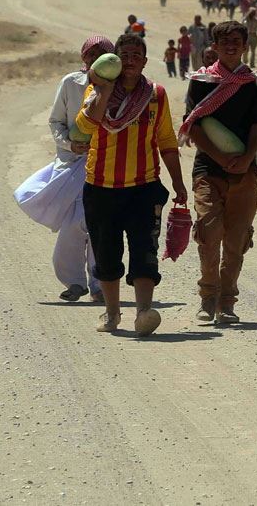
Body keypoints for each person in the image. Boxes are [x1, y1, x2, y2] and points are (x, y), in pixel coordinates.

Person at [75, 32, 189, 336]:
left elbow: (166, 140)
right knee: (106, 253)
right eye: (124, 55)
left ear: (145, 61)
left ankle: (143, 313)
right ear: (114, 60)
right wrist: (105, 88)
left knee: (145, 251)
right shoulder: (95, 90)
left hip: (144, 188)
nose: (130, 60)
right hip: (101, 188)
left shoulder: (156, 95)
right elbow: (85, 125)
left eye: (137, 55)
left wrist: (178, 182)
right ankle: (112, 314)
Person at [179, 21, 257, 326]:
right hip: (208, 168)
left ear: (245, 45)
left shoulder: (255, 81)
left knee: (236, 239)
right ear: (214, 46)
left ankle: (227, 301)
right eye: (224, 41)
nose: (230, 45)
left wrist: (245, 159)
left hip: (245, 171)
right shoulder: (202, 80)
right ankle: (208, 297)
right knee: (209, 231)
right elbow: (193, 124)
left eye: (236, 40)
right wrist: (219, 155)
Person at [15, 36, 114, 303]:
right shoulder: (71, 83)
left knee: (99, 226)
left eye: (102, 53)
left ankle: (98, 284)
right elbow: (56, 121)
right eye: (91, 54)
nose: (95, 58)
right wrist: (70, 144)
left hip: (107, 165)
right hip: (73, 165)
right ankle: (75, 281)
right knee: (74, 224)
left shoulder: (120, 87)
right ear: (84, 57)